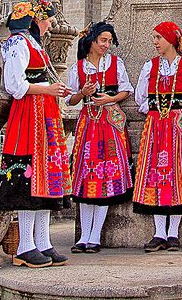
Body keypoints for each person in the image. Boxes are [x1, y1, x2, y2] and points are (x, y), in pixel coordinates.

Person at [0, 0, 72, 268]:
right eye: (48, 17)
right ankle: (25, 245)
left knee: (46, 176)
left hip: (45, 115)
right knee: (30, 175)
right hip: (30, 115)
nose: (50, 22)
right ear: (36, 18)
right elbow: (15, 85)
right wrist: (47, 90)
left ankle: (43, 241)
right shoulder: (18, 43)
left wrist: (55, 90)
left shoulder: (34, 44)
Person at [133, 21, 182, 252]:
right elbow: (140, 98)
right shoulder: (150, 66)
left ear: (170, 39)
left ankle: (173, 233)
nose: (155, 42)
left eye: (158, 37)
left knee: (177, 173)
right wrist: (156, 110)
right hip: (156, 125)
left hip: (178, 127)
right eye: (154, 38)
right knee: (155, 173)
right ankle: (158, 233)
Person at [67, 22, 134, 253]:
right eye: (103, 40)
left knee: (106, 177)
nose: (107, 45)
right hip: (88, 122)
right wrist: (82, 93)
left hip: (109, 122)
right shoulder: (78, 67)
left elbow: (127, 90)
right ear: (92, 41)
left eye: (109, 41)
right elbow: (70, 100)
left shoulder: (116, 63)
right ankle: (84, 236)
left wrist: (109, 99)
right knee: (86, 177)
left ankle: (94, 236)